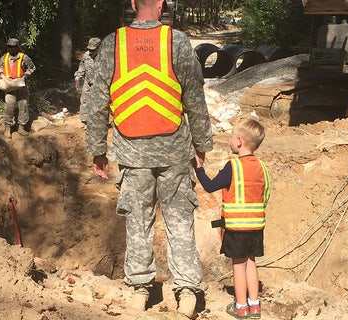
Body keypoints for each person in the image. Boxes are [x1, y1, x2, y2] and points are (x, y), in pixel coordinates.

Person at [85, 0, 213, 317]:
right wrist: (202, 146)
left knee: (138, 223)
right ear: (161, 5)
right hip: (175, 152)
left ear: (132, 4)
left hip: (131, 151)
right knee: (180, 223)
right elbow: (194, 98)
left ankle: (140, 290)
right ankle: (186, 293)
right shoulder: (178, 41)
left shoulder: (114, 43)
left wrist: (97, 150)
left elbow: (98, 100)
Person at [194, 118, 270, 320]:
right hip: (256, 225)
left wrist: (199, 168)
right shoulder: (262, 167)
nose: (229, 141)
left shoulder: (233, 166)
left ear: (239, 140)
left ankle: (241, 306)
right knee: (251, 262)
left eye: (231, 137)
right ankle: (254, 306)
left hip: (237, 226)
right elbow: (266, 194)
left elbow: (210, 186)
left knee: (238, 264)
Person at [0, 38, 36, 138]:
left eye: (12, 47)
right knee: (9, 105)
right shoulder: (4, 57)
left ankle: (21, 127)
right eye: (9, 46)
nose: (10, 48)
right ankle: (7, 127)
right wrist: (1, 74)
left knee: (23, 105)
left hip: (21, 84)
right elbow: (0, 67)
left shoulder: (24, 57)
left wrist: (26, 75)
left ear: (17, 47)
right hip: (9, 85)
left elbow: (32, 67)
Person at [74, 37, 101, 123]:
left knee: (99, 103)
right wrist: (77, 77)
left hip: (100, 84)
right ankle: (84, 120)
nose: (91, 52)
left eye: (93, 50)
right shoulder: (86, 55)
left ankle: (98, 121)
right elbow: (82, 67)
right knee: (84, 100)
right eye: (89, 49)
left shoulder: (104, 56)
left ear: (99, 48)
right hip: (87, 81)